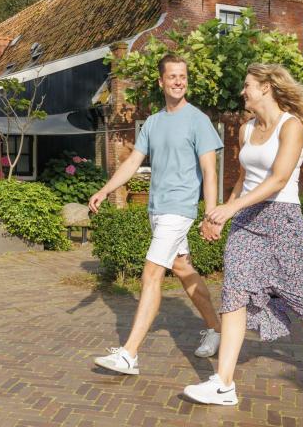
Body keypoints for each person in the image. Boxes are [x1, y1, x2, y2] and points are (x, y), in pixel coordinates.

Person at [184, 63, 303, 406]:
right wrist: (222, 215)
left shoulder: (292, 126)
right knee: (235, 291)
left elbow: (279, 179)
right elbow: (244, 178)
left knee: (301, 293)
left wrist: (230, 209)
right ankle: (224, 383)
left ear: (266, 87)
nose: (243, 92)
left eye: (248, 85)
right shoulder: (246, 128)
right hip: (246, 221)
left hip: (283, 218)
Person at [89, 53, 224, 375]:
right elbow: (134, 162)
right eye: (173, 76)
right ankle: (217, 329)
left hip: (179, 209)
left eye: (183, 76)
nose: (179, 81)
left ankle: (129, 354)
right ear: (161, 81)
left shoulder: (198, 120)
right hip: (157, 209)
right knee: (182, 269)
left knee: (151, 274)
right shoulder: (153, 122)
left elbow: (210, 170)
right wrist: (106, 190)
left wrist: (211, 213)